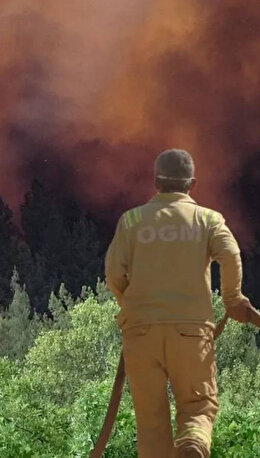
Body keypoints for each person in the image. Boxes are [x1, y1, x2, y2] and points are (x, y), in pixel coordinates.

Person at [105, 149, 259, 457]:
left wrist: (132, 308)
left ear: (156, 181)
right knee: (198, 406)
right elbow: (230, 254)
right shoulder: (207, 219)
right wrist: (232, 300)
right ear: (192, 183)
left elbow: (112, 273)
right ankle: (191, 443)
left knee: (150, 425)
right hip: (190, 334)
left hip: (141, 335)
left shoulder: (132, 220)